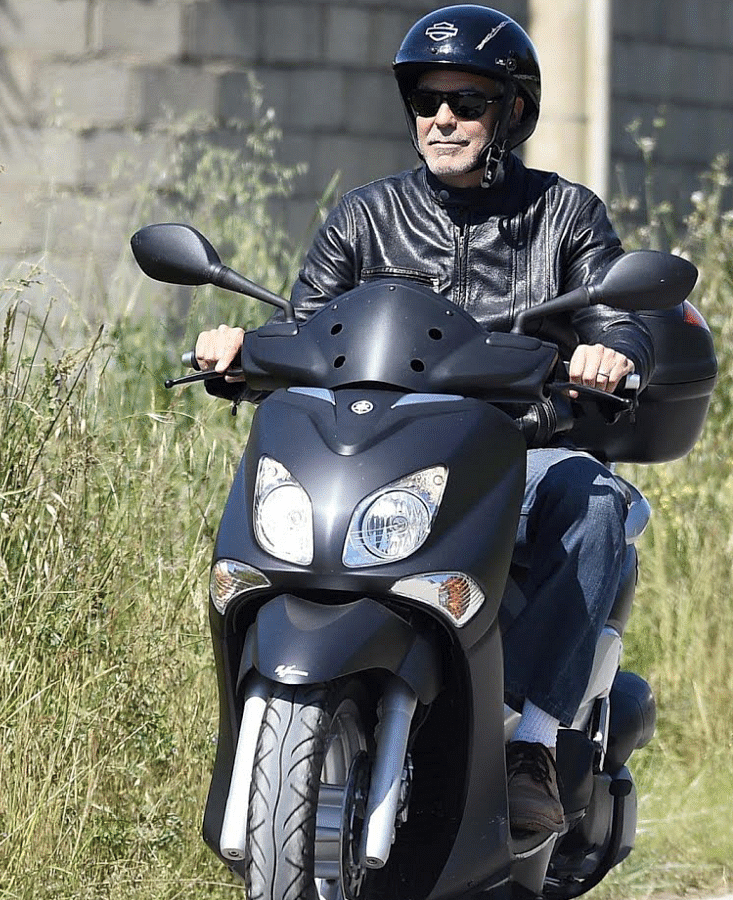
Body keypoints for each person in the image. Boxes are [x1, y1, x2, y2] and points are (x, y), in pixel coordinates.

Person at [189, 4, 654, 839]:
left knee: (594, 504)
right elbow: (304, 327)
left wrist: (612, 352)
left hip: (521, 449)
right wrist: (238, 351)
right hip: (379, 452)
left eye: (467, 102)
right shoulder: (363, 217)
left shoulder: (565, 216)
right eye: (426, 101)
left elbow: (617, 312)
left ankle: (534, 748)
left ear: (511, 112)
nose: (442, 118)